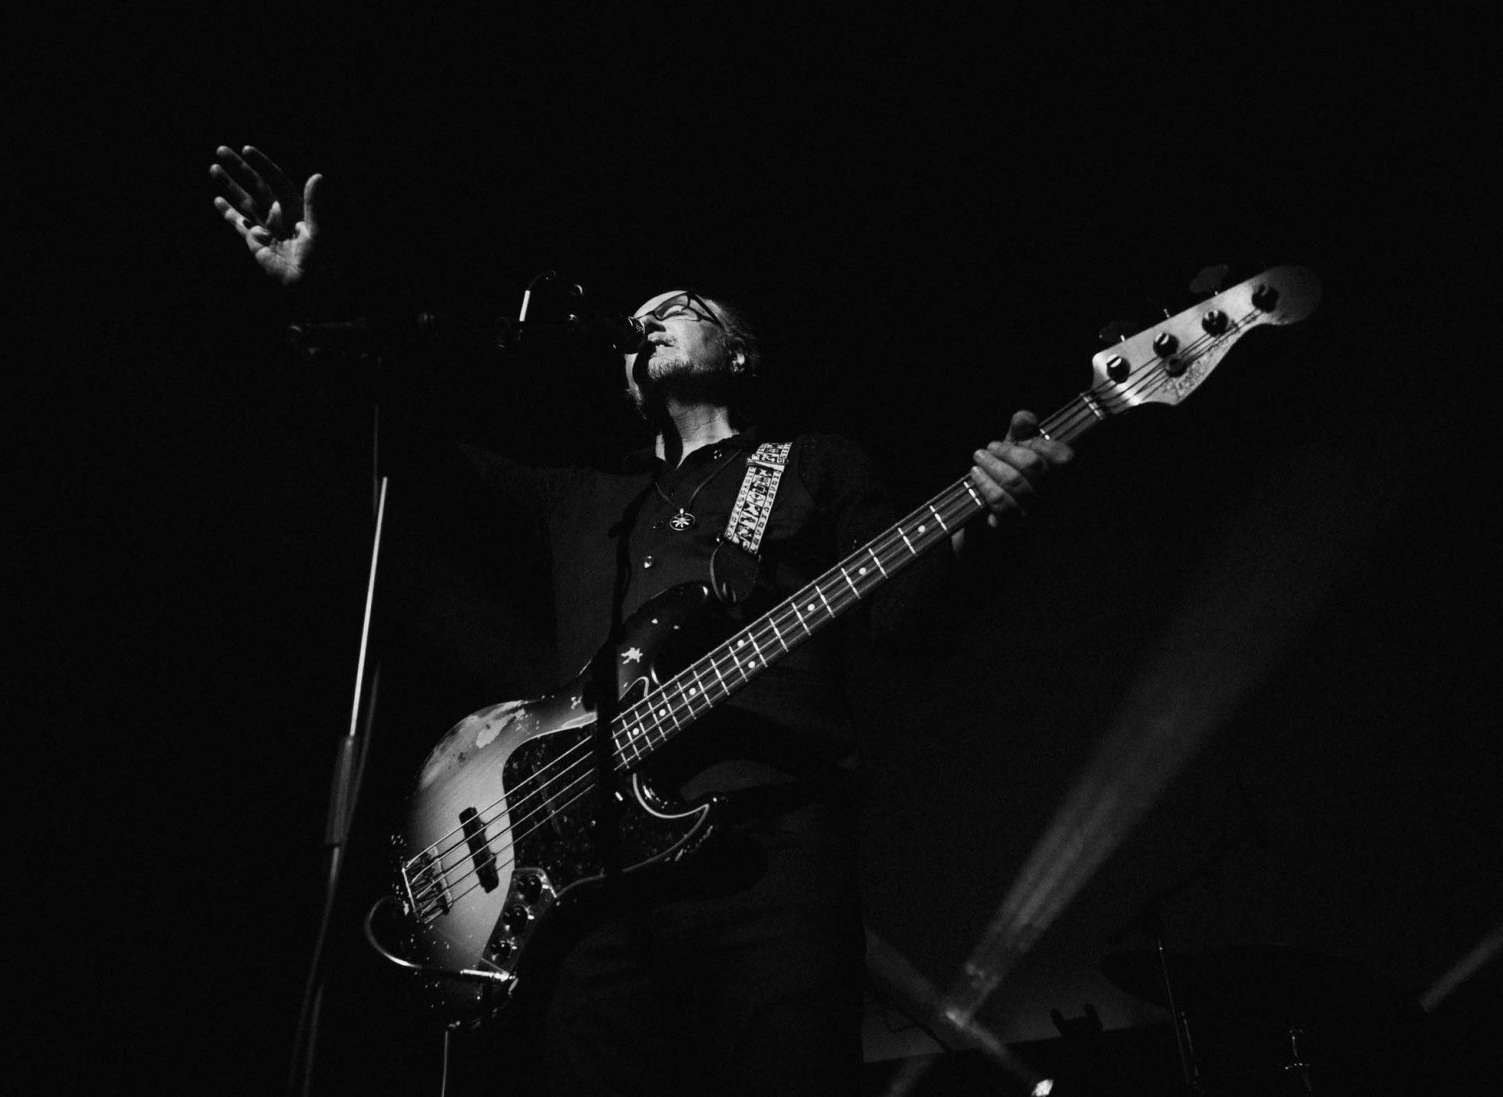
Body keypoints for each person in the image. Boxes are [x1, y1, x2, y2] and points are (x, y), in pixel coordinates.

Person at [211, 144, 1073, 1096]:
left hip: (768, 858)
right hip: (595, 881)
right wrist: (317, 298)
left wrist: (987, 528)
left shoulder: (817, 464)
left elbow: (910, 626)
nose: (652, 318)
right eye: (643, 317)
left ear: (739, 354)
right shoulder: (585, 496)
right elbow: (411, 441)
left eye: (682, 307)